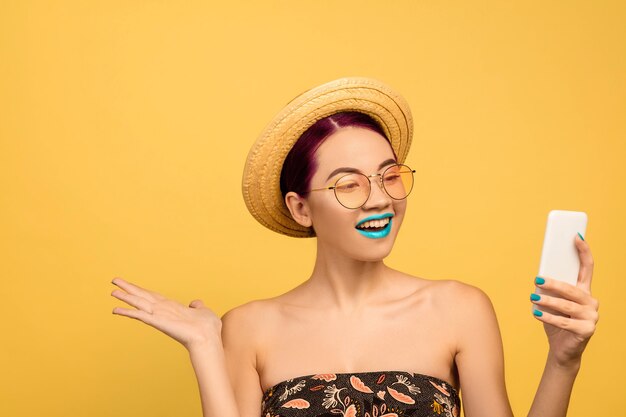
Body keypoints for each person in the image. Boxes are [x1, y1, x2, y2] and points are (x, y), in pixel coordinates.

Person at [111, 77, 598, 417]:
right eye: (349, 185)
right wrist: (204, 347)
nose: (381, 199)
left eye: (389, 176)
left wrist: (562, 360)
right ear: (301, 209)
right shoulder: (248, 328)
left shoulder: (460, 309)